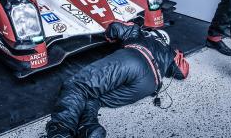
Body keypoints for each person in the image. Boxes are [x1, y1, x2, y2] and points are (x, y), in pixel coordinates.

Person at [46, 22, 189, 138]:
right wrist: (177, 55)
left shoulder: (141, 33)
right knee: (95, 96)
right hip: (149, 85)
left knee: (78, 86)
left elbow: (115, 27)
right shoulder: (171, 53)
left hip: (134, 59)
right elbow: (182, 73)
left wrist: (110, 36)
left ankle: (60, 132)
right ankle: (89, 128)